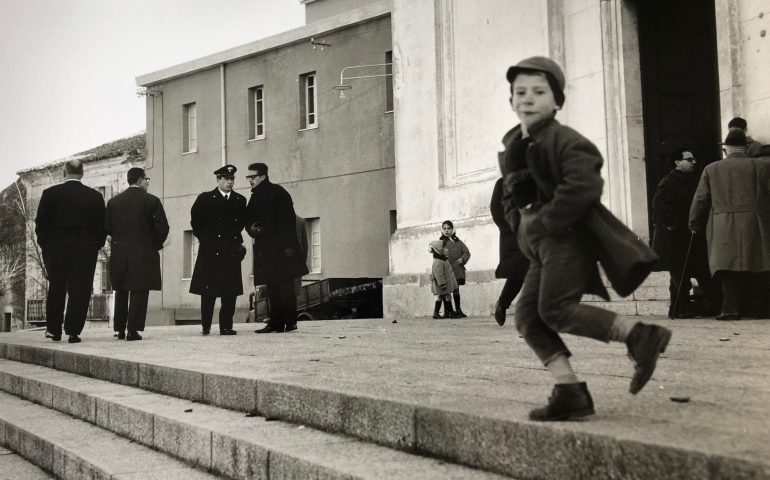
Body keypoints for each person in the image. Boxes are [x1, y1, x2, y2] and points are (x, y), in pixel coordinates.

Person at [499, 56, 670, 421]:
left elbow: (584, 183)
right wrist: (519, 225)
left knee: (556, 310)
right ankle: (570, 391)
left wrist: (546, 221)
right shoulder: (515, 143)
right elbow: (511, 193)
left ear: (557, 101)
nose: (527, 99)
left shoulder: (565, 139)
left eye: (539, 92)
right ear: (511, 100)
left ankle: (640, 334)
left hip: (567, 239)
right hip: (539, 248)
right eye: (520, 92)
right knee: (529, 317)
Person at [689, 129, 770, 320]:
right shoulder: (761, 166)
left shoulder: (711, 169)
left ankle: (730, 308)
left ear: (726, 149)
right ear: (746, 147)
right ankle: (759, 309)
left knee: (727, 266)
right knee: (757, 263)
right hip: (755, 220)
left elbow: (700, 199)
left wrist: (694, 223)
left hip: (723, 223)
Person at [35, 159, 105, 343]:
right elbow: (102, 227)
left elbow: (40, 224)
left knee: (56, 288)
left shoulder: (50, 194)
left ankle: (54, 330)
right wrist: (95, 246)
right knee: (80, 290)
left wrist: (46, 246)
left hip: (56, 250)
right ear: (82, 174)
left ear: (63, 173)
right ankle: (73, 332)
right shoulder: (95, 197)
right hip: (85, 251)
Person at [106, 167, 169, 341]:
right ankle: (133, 330)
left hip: (120, 254)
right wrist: (154, 245)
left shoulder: (113, 202)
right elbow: (163, 228)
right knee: (139, 292)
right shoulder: (152, 201)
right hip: (143, 254)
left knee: (121, 290)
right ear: (140, 180)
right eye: (146, 180)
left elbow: (108, 228)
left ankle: (119, 329)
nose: (147, 183)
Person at [651, 148, 715, 318]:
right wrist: (672, 225)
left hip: (683, 238)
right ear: (677, 162)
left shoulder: (687, 180)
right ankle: (682, 307)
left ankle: (677, 308)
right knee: (679, 272)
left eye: (693, 159)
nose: (694, 162)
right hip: (672, 239)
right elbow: (659, 207)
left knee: (680, 272)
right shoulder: (669, 182)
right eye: (689, 159)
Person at [244, 163, 308, 333]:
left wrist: (288, 247)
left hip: (281, 249)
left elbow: (287, 222)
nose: (250, 180)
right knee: (272, 286)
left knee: (285, 286)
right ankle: (276, 323)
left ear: (263, 176)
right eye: (248, 177)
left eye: (253, 177)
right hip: (267, 248)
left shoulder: (278, 193)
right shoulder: (256, 195)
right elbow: (248, 218)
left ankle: (290, 322)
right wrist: (251, 229)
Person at [189, 164, 247, 336]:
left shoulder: (239, 200)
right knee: (209, 292)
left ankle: (226, 326)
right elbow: (196, 223)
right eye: (226, 179)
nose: (230, 182)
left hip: (231, 251)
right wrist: (207, 240)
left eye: (232, 179)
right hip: (210, 252)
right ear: (218, 180)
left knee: (230, 292)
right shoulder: (205, 199)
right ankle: (206, 325)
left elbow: (240, 224)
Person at [490, 177, 529, 326]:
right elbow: (496, 210)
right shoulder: (503, 183)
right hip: (514, 235)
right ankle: (503, 303)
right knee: (518, 274)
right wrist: (509, 228)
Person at [438, 220, 470, 318]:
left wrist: (463, 259)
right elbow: (437, 255)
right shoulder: (440, 242)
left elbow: (467, 252)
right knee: (446, 291)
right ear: (442, 230)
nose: (447, 231)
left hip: (456, 270)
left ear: (452, 229)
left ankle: (458, 310)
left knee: (456, 289)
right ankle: (448, 311)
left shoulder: (458, 242)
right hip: (446, 270)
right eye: (444, 229)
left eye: (449, 228)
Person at [429, 239, 458, 318]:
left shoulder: (442, 260)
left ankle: (442, 313)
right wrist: (442, 284)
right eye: (445, 248)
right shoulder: (438, 261)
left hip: (444, 284)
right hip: (442, 284)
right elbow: (439, 274)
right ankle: (449, 312)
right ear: (439, 250)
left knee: (441, 297)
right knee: (447, 296)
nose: (446, 250)